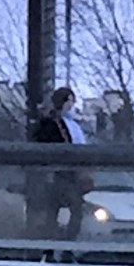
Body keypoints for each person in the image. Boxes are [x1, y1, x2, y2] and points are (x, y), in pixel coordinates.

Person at [29, 86, 87, 248]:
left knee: (55, 211)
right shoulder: (51, 124)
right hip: (59, 175)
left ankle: (54, 246)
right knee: (72, 208)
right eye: (70, 101)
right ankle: (62, 245)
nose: (72, 105)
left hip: (64, 174)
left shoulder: (68, 124)